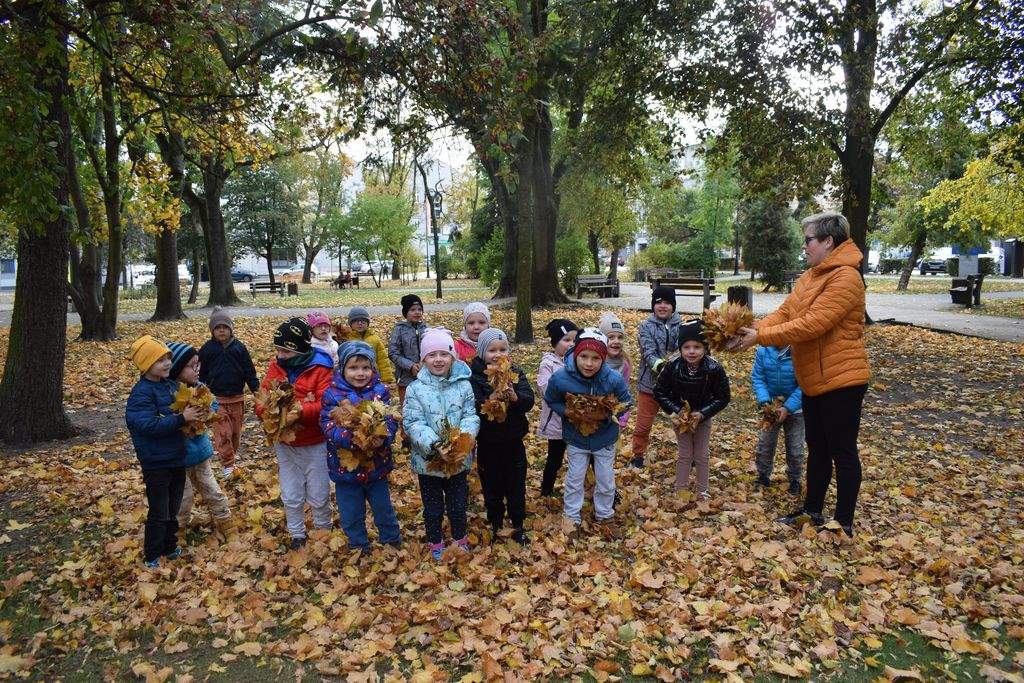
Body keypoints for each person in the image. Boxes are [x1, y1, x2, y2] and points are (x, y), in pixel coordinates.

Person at [729, 211, 870, 537]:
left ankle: (843, 522)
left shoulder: (846, 278)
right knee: (818, 449)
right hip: (814, 381)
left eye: (808, 240)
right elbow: (786, 313)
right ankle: (812, 511)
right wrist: (753, 330)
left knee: (842, 451)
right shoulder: (811, 276)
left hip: (842, 380)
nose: (804, 246)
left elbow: (812, 324)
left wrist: (760, 337)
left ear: (828, 241)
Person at [256, 318, 336, 550]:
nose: (280, 355)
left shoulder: (321, 368)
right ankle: (297, 534)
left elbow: (327, 403)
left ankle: (323, 530)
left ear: (300, 348)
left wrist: (300, 411)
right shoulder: (276, 366)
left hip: (315, 441)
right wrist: (268, 413)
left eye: (286, 350)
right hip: (286, 443)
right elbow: (262, 399)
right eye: (278, 349)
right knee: (290, 492)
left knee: (319, 491)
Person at [402, 328, 480, 561]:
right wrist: (436, 444)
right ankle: (435, 541)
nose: (438, 360)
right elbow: (412, 422)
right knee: (433, 507)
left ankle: (460, 539)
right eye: (431, 355)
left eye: (444, 354)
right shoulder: (415, 389)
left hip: (457, 460)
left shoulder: (463, 385)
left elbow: (470, 416)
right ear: (423, 359)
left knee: (457, 505)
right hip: (429, 461)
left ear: (452, 357)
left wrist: (461, 442)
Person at [544, 328, 632, 532]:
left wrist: (608, 415)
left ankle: (605, 515)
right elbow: (551, 398)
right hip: (576, 439)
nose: (589, 363)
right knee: (575, 479)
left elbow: (626, 402)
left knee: (606, 480)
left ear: (603, 359)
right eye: (583, 356)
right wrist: (568, 412)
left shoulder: (612, 379)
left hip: (605, 439)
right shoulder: (561, 378)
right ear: (575, 354)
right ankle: (571, 517)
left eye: (595, 358)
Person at [126, 335, 201, 568]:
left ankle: (170, 546)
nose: (167, 363)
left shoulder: (170, 386)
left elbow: (186, 399)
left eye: (168, 358)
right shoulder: (141, 394)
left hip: (176, 457)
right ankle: (152, 555)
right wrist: (181, 418)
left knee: (173, 506)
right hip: (156, 461)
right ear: (147, 365)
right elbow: (148, 426)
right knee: (159, 510)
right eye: (160, 360)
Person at [319, 342, 402, 552]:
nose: (360, 373)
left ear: (373, 368)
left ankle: (391, 540)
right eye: (353, 368)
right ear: (342, 369)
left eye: (365, 367)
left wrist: (385, 436)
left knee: (383, 509)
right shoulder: (332, 394)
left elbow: (390, 418)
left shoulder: (380, 391)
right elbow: (328, 426)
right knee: (351, 512)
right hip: (346, 469)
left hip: (376, 465)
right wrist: (350, 437)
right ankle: (358, 545)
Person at [468, 328, 535, 545]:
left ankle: (517, 523)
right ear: (481, 353)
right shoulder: (474, 377)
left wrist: (515, 397)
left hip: (513, 440)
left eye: (502, 349)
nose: (497, 354)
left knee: (516, 484)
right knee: (492, 484)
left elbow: (529, 400)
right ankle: (495, 521)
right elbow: (474, 405)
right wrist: (492, 398)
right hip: (488, 441)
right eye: (491, 350)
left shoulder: (514, 372)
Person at [166, 342, 237, 542]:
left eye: (198, 365)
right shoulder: (167, 392)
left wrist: (207, 411)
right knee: (183, 497)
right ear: (177, 368)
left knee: (212, 490)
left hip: (200, 454)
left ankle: (226, 523)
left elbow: (213, 405)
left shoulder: (200, 388)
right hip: (178, 458)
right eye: (191, 366)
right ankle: (177, 532)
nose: (197, 370)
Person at [653, 320, 731, 499]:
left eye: (697, 346)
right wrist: (676, 410)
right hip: (680, 417)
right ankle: (680, 488)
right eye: (686, 347)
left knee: (702, 454)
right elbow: (659, 391)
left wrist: (703, 413)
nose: (692, 351)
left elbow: (723, 397)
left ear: (705, 348)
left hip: (702, 416)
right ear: (680, 348)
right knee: (685, 453)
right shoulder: (672, 366)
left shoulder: (714, 368)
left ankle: (703, 489)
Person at [198, 308, 260, 477]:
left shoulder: (239, 348)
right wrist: (200, 390)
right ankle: (228, 464)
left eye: (225, 327)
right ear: (212, 331)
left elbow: (249, 371)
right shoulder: (207, 349)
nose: (222, 330)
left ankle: (231, 456)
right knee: (223, 432)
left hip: (237, 397)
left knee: (234, 433)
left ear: (231, 329)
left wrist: (256, 390)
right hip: (216, 399)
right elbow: (201, 373)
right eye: (218, 328)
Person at [633, 287, 683, 468]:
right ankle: (638, 455)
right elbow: (648, 352)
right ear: (653, 305)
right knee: (643, 424)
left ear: (673, 305)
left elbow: (683, 349)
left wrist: (674, 366)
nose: (662, 306)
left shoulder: (682, 325)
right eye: (658, 302)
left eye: (667, 303)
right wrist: (662, 366)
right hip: (650, 385)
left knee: (680, 420)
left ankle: (687, 454)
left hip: (675, 386)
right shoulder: (646, 326)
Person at [750, 343, 805, 495]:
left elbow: (805, 383)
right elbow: (758, 377)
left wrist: (788, 407)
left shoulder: (799, 350)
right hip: (771, 408)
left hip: (796, 409)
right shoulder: (763, 351)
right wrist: (765, 400)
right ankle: (762, 476)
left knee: (795, 447)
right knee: (765, 444)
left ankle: (795, 479)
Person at [537, 318, 579, 497]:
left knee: (582, 457)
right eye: (566, 340)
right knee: (555, 458)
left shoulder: (581, 362)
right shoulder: (548, 364)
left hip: (577, 422)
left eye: (574, 340)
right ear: (555, 343)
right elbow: (545, 389)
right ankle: (546, 490)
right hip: (557, 423)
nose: (571, 344)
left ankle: (585, 487)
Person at [336, 306, 395, 385]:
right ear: (350, 323)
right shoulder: (346, 339)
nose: (360, 323)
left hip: (373, 377)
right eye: (356, 321)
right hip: (354, 378)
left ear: (368, 323)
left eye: (363, 321)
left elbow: (382, 360)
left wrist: (386, 379)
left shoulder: (375, 339)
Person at [388, 294, 427, 405]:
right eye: (412, 310)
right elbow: (393, 352)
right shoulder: (399, 329)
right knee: (407, 404)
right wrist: (410, 366)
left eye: (420, 309)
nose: (417, 312)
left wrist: (423, 363)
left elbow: (430, 350)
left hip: (424, 373)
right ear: (405, 313)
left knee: (423, 402)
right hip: (405, 376)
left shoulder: (425, 328)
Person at [599, 311, 632, 428]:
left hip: (614, 413)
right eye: (611, 337)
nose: (616, 341)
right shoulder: (595, 361)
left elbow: (625, 391)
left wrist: (623, 416)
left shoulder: (625, 364)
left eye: (620, 337)